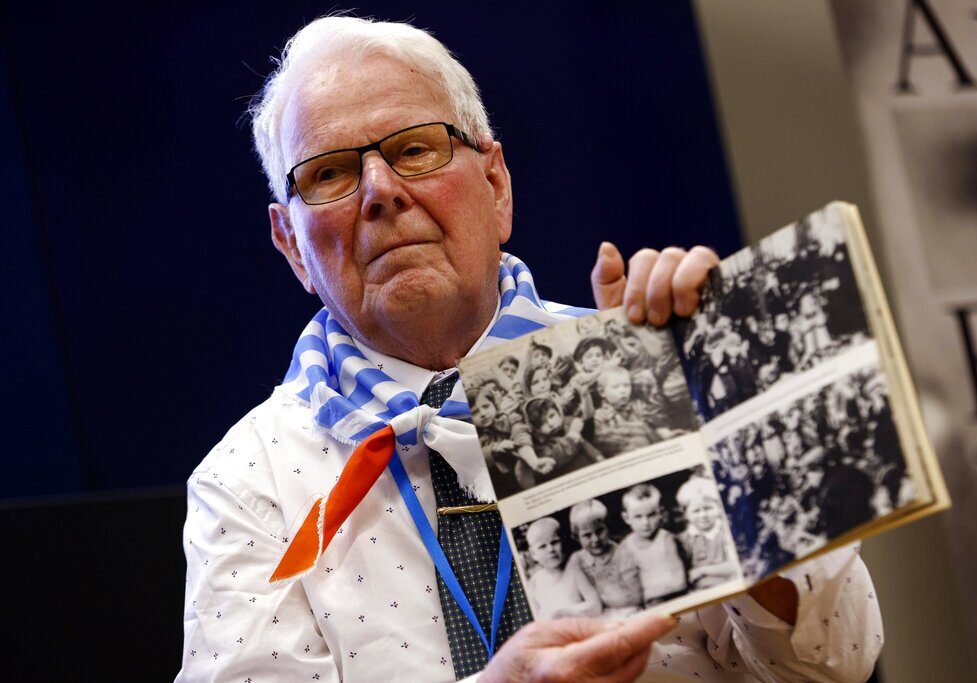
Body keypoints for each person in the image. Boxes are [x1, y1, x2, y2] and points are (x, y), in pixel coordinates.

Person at [177, 15, 883, 683]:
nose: (380, 192)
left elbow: (836, 660)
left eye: (414, 149)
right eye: (330, 172)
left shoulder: (650, 362)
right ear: (292, 244)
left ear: (495, 184)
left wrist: (716, 423)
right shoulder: (249, 479)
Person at [564, 499, 643, 618]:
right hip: (595, 615)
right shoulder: (577, 560)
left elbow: (636, 597)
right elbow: (572, 597)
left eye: (600, 531)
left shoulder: (623, 554)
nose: (595, 539)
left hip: (628, 612)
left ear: (608, 527)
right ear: (576, 537)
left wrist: (600, 601)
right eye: (587, 535)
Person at [617, 484, 688, 606]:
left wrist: (648, 595)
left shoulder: (666, 539)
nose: (645, 523)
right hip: (646, 604)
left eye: (651, 515)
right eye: (638, 516)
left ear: (660, 513)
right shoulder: (626, 546)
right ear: (626, 518)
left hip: (675, 599)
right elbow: (626, 582)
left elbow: (680, 582)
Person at [523, 517, 601, 620]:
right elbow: (535, 617)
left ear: (563, 542)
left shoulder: (574, 570)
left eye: (555, 542)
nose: (551, 549)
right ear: (533, 554)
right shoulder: (535, 582)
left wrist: (564, 613)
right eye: (542, 546)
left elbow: (595, 606)